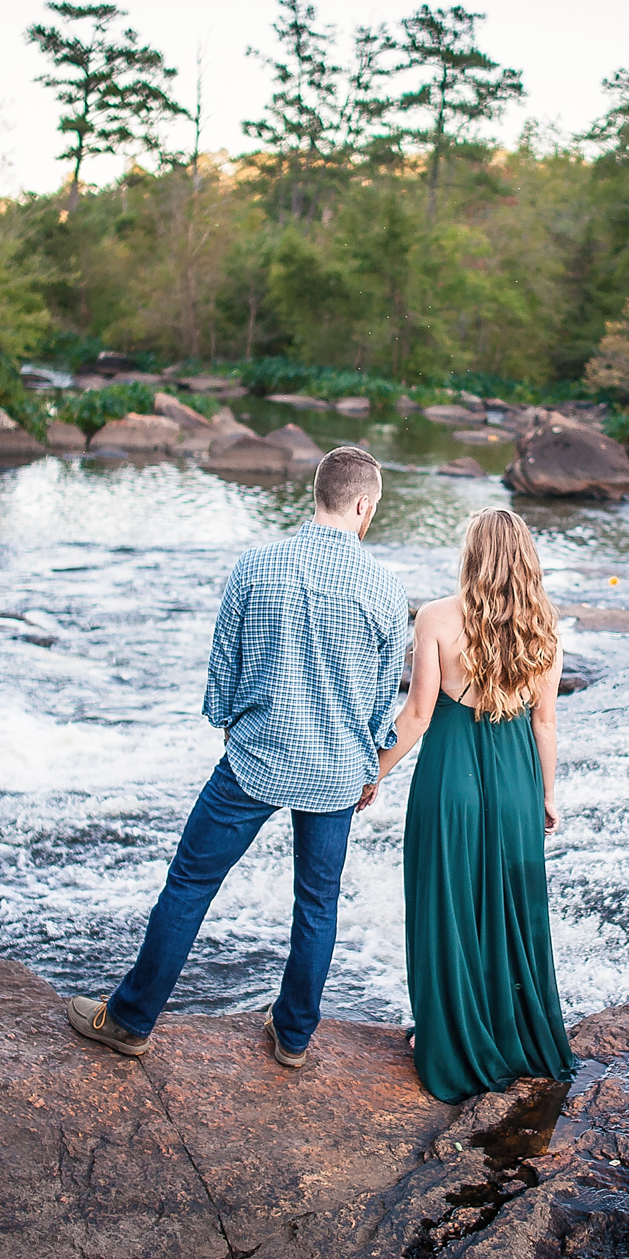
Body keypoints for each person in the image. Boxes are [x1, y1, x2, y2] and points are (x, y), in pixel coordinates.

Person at [67, 445, 408, 1068]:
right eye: (374, 508)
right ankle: (295, 1037)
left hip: (257, 758)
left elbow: (223, 666)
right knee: (317, 904)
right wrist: (369, 766)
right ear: (363, 504)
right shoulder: (386, 589)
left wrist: (229, 729)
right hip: (335, 771)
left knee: (191, 885)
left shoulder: (256, 566)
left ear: (318, 494)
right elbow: (385, 698)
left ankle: (130, 1021)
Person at [371, 507, 577, 1103]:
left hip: (449, 778)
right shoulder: (545, 629)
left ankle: (448, 1035)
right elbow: (546, 724)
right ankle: (514, 1036)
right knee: (510, 912)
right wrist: (545, 796)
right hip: (515, 780)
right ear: (525, 560)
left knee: (449, 905)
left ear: (471, 556)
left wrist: (373, 774)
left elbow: (415, 716)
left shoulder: (435, 617)